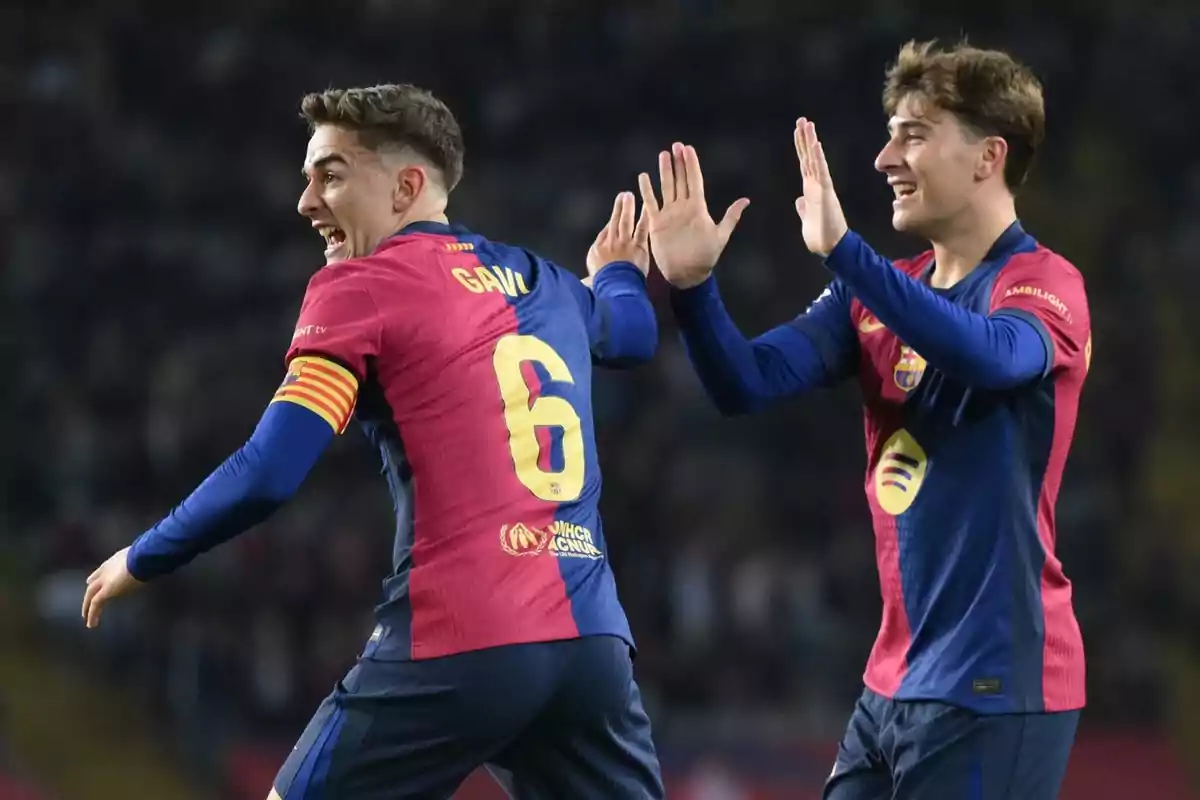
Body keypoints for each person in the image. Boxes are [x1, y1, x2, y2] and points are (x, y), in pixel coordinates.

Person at [82, 83, 664, 800]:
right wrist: (618, 273)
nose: (306, 201)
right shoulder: (543, 281)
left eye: (330, 174)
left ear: (407, 186)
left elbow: (268, 471)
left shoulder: (360, 286)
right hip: (592, 650)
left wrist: (141, 557)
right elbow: (632, 335)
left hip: (461, 640)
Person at [639, 40, 1090, 799]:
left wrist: (847, 253)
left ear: (988, 157)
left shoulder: (1043, 284)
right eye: (889, 133)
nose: (885, 157)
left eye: (913, 133)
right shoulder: (876, 295)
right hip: (890, 685)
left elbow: (991, 358)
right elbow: (746, 383)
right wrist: (693, 288)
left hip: (996, 685)